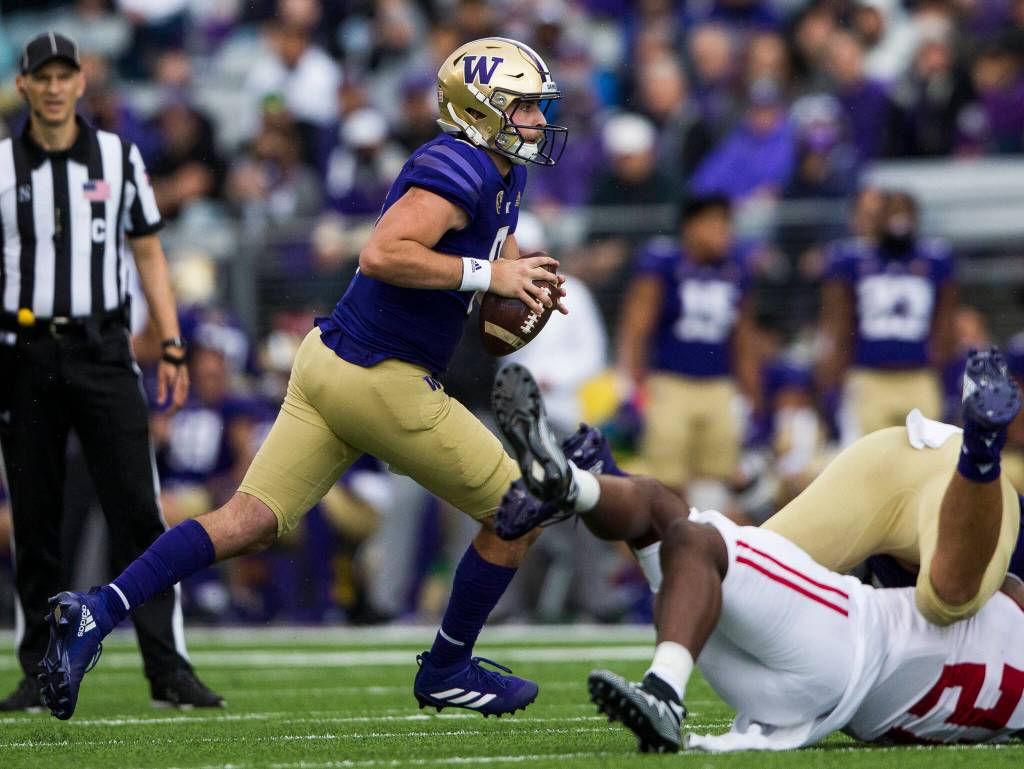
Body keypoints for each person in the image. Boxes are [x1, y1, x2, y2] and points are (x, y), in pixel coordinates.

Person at [37, 36, 569, 721]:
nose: (535, 120)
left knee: (247, 519)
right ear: (479, 110)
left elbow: (497, 275)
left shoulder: (498, 172)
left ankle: (94, 611)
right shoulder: (459, 164)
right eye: (523, 106)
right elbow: (383, 253)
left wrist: (521, 294)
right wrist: (492, 275)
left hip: (332, 363)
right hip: (380, 376)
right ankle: (446, 665)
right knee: (518, 510)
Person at [489, 361, 1024, 753]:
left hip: (846, 647)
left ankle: (583, 482)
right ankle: (577, 488)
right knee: (698, 551)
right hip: (819, 690)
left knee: (701, 550)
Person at [0, 32, 222, 713]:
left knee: (138, 512)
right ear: (25, 83)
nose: (56, 86)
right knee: (36, 517)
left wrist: (174, 342)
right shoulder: (3, 166)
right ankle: (39, 668)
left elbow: (149, 251)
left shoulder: (119, 157)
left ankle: (168, 666)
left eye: (67, 74)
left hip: (104, 350)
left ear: (82, 82)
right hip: (25, 350)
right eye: (45, 75)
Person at [617, 195, 760, 514]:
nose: (723, 231)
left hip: (719, 385)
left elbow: (744, 338)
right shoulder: (664, 264)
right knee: (667, 481)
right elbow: (637, 327)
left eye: (726, 223)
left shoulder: (736, 269)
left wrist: (751, 396)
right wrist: (629, 382)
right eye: (713, 223)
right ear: (690, 227)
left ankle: (709, 553)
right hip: (670, 383)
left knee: (716, 480)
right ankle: (669, 551)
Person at [817, 190, 958, 446]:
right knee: (871, 457)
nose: (899, 219)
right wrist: (831, 386)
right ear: (878, 218)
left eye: (905, 211)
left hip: (918, 375)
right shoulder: (853, 260)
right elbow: (838, 326)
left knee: (927, 458)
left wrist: (945, 376)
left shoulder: (934, 259)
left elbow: (946, 325)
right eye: (892, 211)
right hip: (869, 378)